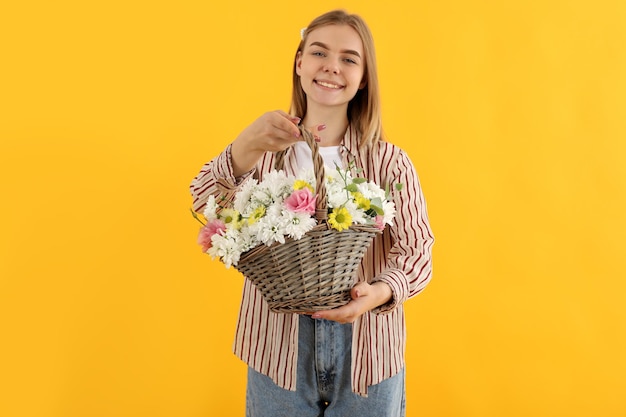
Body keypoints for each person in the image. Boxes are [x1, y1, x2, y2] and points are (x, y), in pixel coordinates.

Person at [190, 9, 434, 417]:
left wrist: (378, 292)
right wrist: (244, 145)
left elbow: (418, 251)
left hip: (368, 347)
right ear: (299, 63)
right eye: (319, 52)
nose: (331, 67)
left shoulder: (389, 162)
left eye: (349, 58)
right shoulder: (264, 151)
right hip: (276, 346)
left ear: (363, 78)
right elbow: (203, 203)